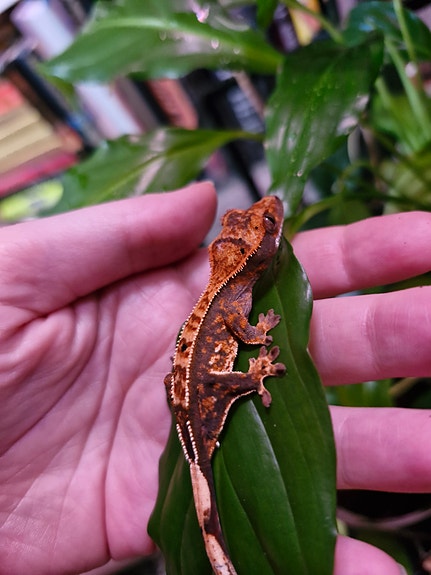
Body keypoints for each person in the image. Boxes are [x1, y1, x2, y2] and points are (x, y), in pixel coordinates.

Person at [0, 181, 429, 575]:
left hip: (189, 392)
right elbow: (240, 328)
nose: (269, 213)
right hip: (205, 394)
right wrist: (257, 357)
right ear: (255, 253)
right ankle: (219, 556)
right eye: (266, 224)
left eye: (264, 220)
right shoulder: (232, 298)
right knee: (207, 489)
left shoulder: (226, 290)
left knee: (201, 468)